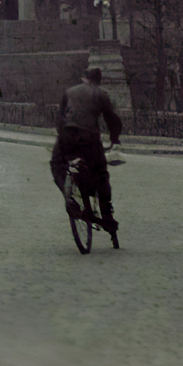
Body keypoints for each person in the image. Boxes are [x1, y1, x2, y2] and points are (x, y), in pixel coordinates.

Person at [50, 67, 123, 246]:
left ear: (85, 78)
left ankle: (68, 197)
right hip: (89, 138)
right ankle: (107, 216)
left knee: (56, 164)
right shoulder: (100, 94)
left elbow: (60, 118)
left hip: (67, 136)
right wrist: (114, 138)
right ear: (98, 80)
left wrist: (61, 138)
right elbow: (111, 119)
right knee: (101, 174)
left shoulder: (69, 92)